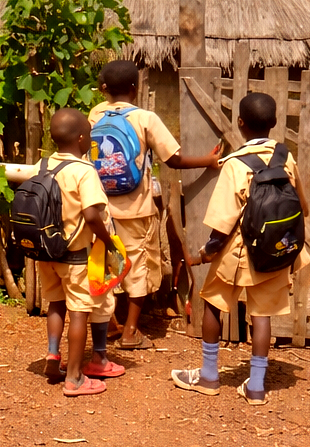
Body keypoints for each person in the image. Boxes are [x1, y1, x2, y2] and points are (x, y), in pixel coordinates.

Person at [170, 91, 310, 406]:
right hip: (275, 250)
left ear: (240, 123)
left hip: (238, 253)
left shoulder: (235, 164)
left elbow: (223, 222)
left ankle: (208, 375)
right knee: (262, 315)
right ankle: (257, 386)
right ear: (274, 123)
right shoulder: (285, 156)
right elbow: (302, 205)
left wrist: (207, 252)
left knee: (213, 305)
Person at [88, 60, 222, 349]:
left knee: (108, 262)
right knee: (136, 266)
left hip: (99, 205)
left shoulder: (96, 114)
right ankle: (131, 332)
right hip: (135, 207)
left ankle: (112, 323)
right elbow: (172, 159)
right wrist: (208, 162)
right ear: (135, 89)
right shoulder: (145, 118)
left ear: (104, 90)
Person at [38, 108, 126, 397]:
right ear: (80, 139)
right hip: (75, 255)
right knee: (80, 312)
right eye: (88, 135)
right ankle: (74, 377)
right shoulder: (84, 171)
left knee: (55, 304)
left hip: (47, 253)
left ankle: (53, 355)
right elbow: (91, 214)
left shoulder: (44, 165)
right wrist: (108, 240)